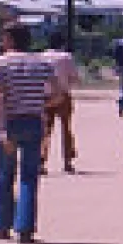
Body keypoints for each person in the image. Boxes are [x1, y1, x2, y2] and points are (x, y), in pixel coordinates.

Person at [0, 22, 62, 244]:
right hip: (34, 121)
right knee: (29, 177)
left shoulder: (1, 63)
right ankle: (25, 228)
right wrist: (42, 104)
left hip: (11, 122)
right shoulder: (41, 62)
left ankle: (3, 224)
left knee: (6, 175)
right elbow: (59, 92)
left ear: (9, 39)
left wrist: (2, 128)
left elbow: (0, 97)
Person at [40, 32, 80, 174]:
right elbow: (74, 78)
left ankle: (42, 160)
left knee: (45, 130)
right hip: (63, 95)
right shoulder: (66, 57)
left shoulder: (41, 57)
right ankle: (67, 161)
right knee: (66, 128)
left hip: (44, 96)